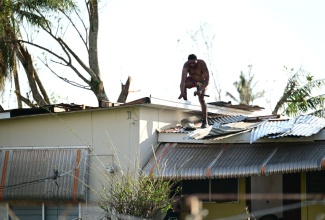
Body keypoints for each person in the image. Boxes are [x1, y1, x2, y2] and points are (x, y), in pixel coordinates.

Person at [178, 54, 209, 128]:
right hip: (192, 80)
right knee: (183, 85)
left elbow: (207, 80)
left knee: (201, 98)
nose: (192, 65)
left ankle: (205, 121)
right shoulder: (186, 65)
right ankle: (186, 104)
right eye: (190, 63)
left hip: (202, 83)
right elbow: (183, 80)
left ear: (197, 60)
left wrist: (200, 90)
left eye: (193, 63)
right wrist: (182, 92)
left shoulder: (202, 64)